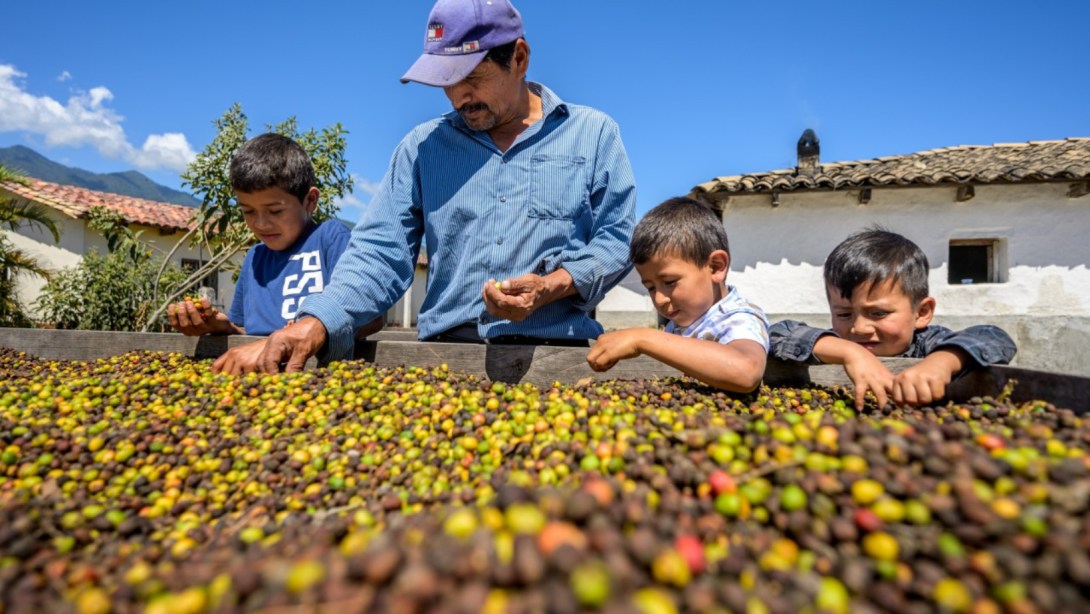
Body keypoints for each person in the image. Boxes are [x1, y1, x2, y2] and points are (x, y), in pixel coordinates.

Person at [235, 0, 636, 374]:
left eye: (472, 78)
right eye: (446, 82)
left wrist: (551, 286)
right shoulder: (423, 148)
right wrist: (318, 320)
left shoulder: (592, 134)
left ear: (519, 58)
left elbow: (617, 240)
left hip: (558, 356)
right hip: (447, 356)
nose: (459, 96)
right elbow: (379, 251)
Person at [168, 133, 381, 373]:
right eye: (248, 211)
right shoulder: (254, 258)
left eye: (275, 211)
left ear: (310, 200)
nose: (260, 223)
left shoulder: (330, 239)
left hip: (318, 374)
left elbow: (370, 317)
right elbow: (249, 337)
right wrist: (223, 328)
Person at [769, 228, 1017, 409]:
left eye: (879, 313)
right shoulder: (837, 343)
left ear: (921, 313)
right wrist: (850, 353)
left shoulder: (929, 344)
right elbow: (778, 333)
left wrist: (941, 363)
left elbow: (995, 337)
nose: (860, 328)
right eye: (844, 314)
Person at [586, 198, 769, 392]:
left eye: (670, 282)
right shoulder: (680, 326)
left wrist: (642, 338)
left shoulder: (738, 319)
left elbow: (746, 373)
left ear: (716, 267)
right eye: (651, 287)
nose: (659, 299)